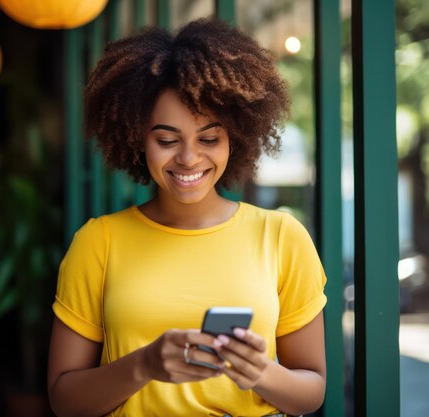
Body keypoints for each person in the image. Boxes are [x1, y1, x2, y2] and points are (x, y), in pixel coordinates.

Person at [47, 17, 327, 417]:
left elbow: (311, 391)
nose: (189, 158)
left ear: (237, 136)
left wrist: (260, 373)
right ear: (135, 138)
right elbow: (64, 400)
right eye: (166, 140)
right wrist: (143, 366)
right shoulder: (98, 242)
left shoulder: (281, 236)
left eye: (209, 138)